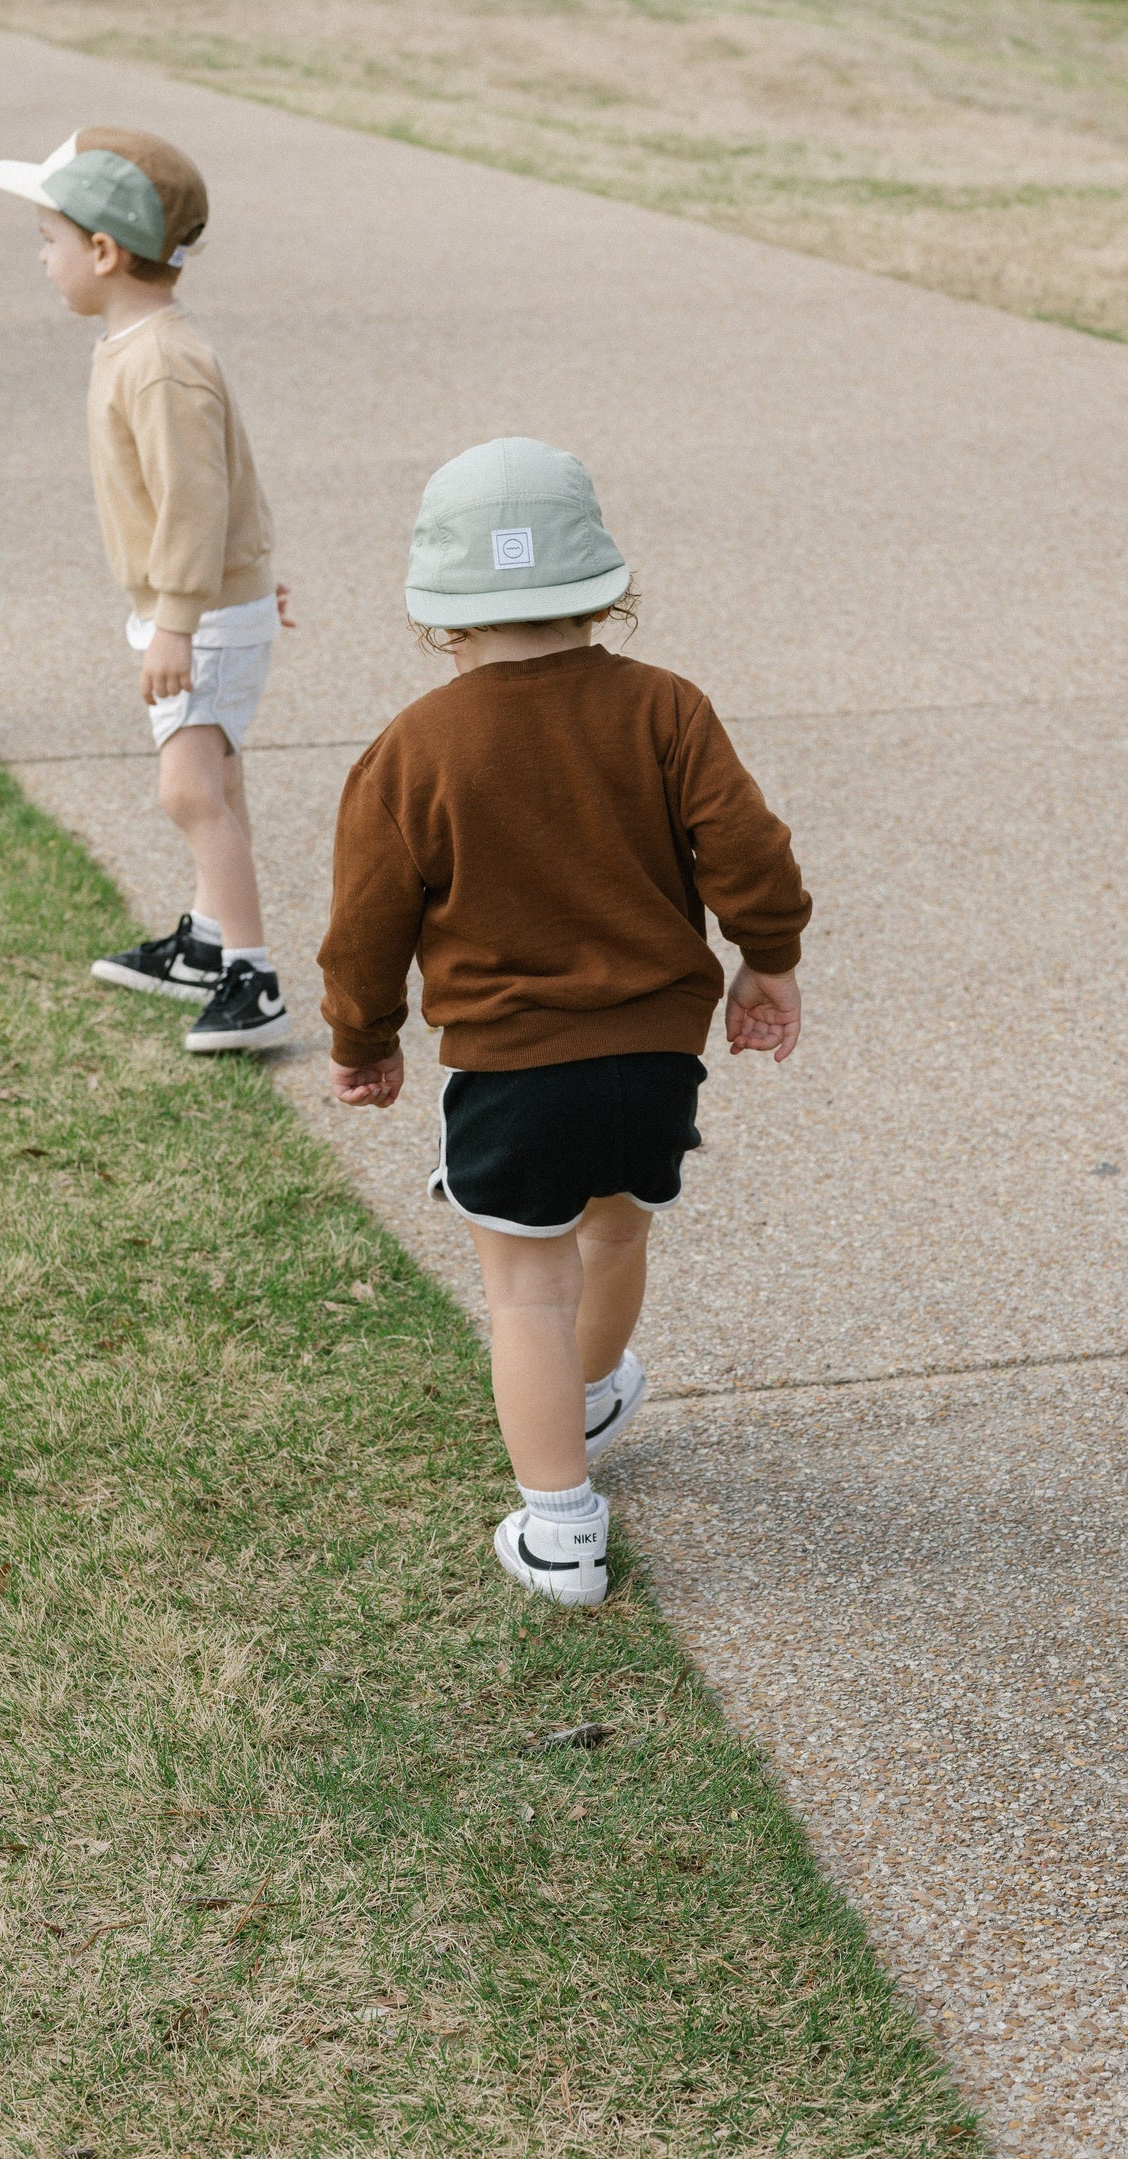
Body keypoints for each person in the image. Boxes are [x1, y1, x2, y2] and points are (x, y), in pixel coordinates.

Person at [319, 438, 810, 1607]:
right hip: (652, 1056)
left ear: (442, 617)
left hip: (512, 1065)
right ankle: (590, 1394)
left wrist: (362, 1036)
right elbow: (749, 853)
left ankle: (558, 1526)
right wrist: (767, 962)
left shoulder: (411, 751)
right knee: (616, 1230)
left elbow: (364, 923)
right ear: (601, 588)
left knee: (523, 1289)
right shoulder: (665, 708)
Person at [0, 128, 292, 1052]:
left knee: (190, 791)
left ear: (105, 253)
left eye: (49, 240)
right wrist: (249, 578)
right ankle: (203, 946)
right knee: (217, 782)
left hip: (195, 614)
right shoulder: (140, 345)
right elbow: (225, 481)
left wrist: (178, 623)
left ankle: (253, 978)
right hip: (209, 605)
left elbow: (197, 499)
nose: (43, 259)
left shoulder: (158, 362)